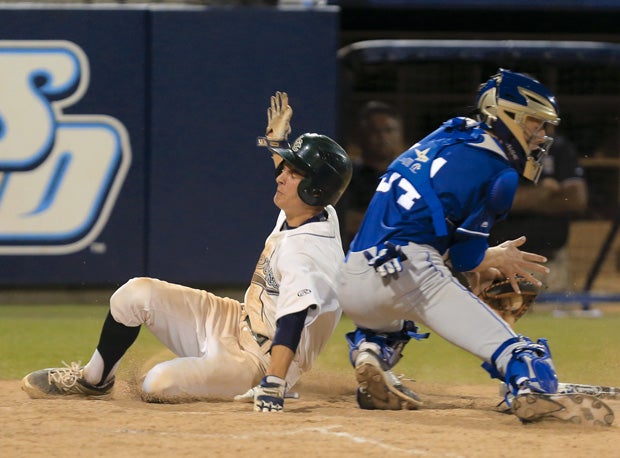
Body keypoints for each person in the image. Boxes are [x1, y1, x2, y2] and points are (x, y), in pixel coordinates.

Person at [21, 91, 353, 413]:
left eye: (293, 172)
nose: (281, 176)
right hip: (236, 319)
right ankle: (94, 380)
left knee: (157, 384)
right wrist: (277, 144)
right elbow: (294, 180)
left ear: (314, 190)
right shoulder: (310, 208)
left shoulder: (307, 253)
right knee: (134, 294)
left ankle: (257, 378)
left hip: (258, 360)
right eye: (286, 168)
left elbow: (293, 322)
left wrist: (274, 382)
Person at [337, 69, 613, 425]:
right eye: (535, 123)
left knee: (385, 328)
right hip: (412, 270)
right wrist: (487, 261)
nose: (542, 134)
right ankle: (533, 389)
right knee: (523, 354)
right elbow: (467, 256)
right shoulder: (500, 173)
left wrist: (486, 257)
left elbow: (434, 214)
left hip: (353, 276)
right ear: (508, 117)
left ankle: (370, 351)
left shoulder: (451, 132)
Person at [489, 129, 588, 292]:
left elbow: (576, 200)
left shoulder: (558, 147)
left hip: (550, 264)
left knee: (558, 315)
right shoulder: (496, 149)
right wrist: (542, 193)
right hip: (500, 264)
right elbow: (492, 201)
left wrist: (521, 198)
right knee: (501, 316)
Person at [337, 101, 405, 250]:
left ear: (400, 134)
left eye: (389, 130)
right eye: (375, 131)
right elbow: (345, 221)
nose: (382, 137)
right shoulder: (345, 176)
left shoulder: (408, 177)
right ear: (360, 135)